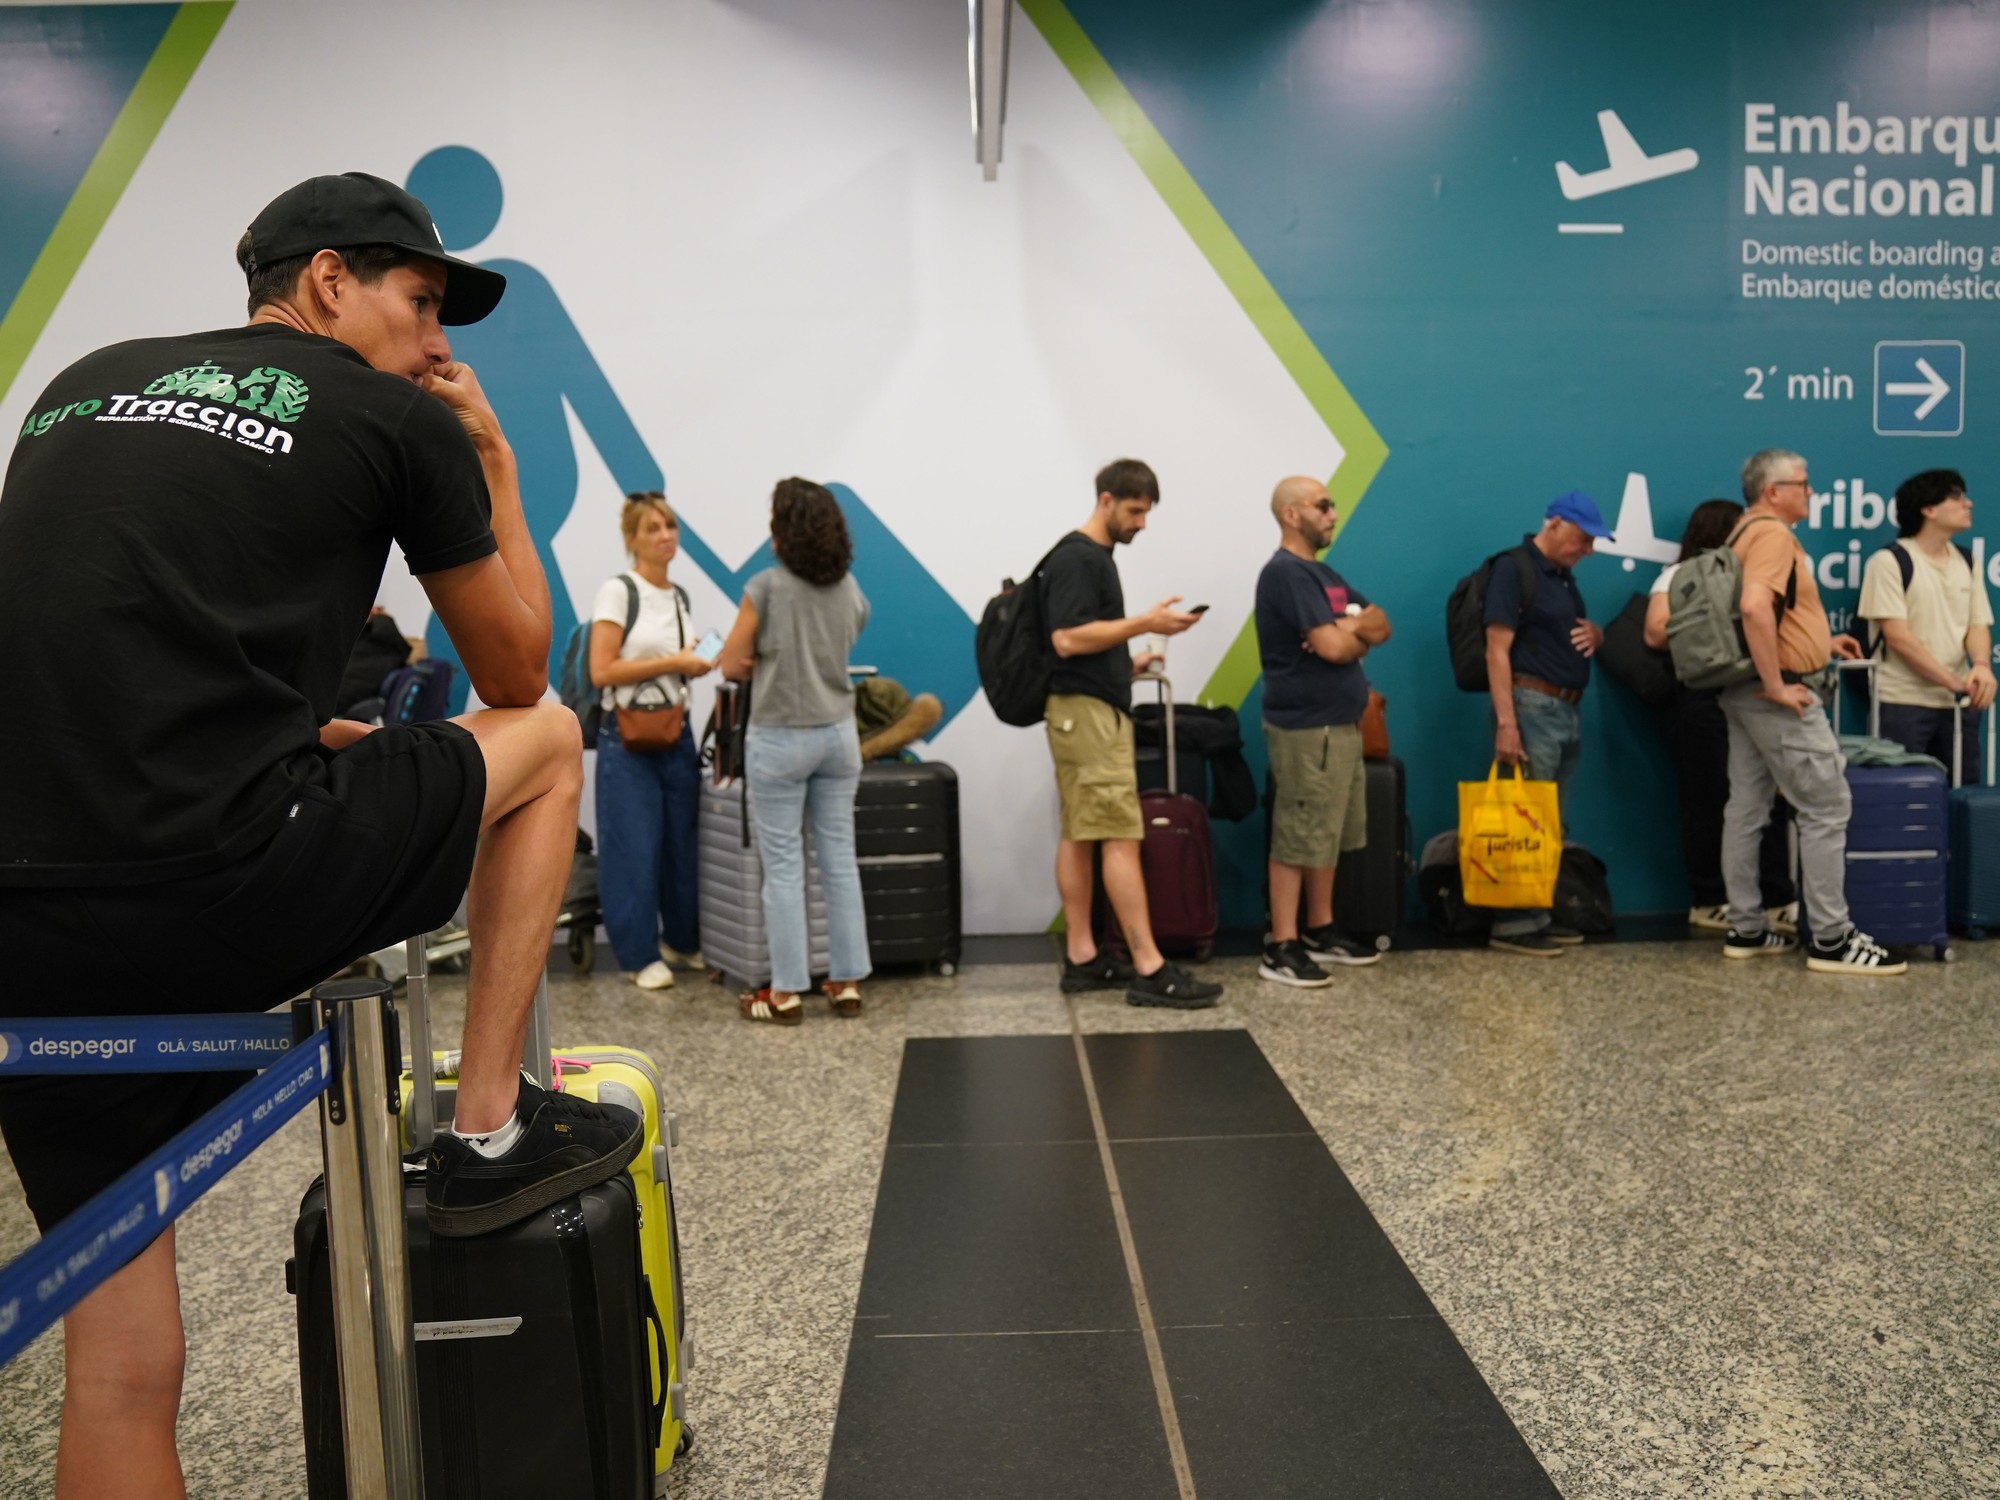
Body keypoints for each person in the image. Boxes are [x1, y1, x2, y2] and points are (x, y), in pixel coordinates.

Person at [0, 172, 641, 1499]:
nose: (436, 342)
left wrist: (299, 737)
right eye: (421, 301)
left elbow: (118, 660)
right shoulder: (391, 416)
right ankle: (488, 1130)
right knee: (550, 739)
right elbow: (517, 672)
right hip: (223, 886)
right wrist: (493, 462)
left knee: (117, 1364)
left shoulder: (75, 385)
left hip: (23, 928)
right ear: (329, 281)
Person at [1041, 459, 1223, 1008]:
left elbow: (1082, 641)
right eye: (1135, 510)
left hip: (1084, 708)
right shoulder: (1079, 557)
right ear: (1106, 500)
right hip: (1088, 716)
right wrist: (1145, 622)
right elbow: (1067, 638)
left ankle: (1082, 957)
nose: (1141, 523)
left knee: (1081, 833)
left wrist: (1127, 663)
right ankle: (1149, 966)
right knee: (1120, 833)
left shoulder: (1087, 557)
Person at [1717, 449, 1903, 974]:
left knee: (1746, 810)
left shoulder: (1740, 534)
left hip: (1740, 691)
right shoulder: (1773, 535)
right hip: (1774, 697)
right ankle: (1831, 939)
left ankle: (1746, 927)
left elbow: (1769, 613)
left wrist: (1819, 644)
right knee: (1826, 807)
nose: (1811, 492)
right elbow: (1754, 606)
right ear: (1773, 491)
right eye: (1803, 484)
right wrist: (1777, 683)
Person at [717, 478, 873, 1023]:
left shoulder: (765, 587)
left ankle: (785, 993)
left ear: (783, 530)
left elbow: (731, 661)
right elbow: (853, 630)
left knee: (784, 867)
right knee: (839, 860)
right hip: (838, 735)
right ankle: (847, 983)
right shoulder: (848, 587)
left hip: (780, 738)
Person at [1254, 475, 1392, 986]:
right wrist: (1347, 635)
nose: (1333, 514)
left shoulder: (1325, 575)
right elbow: (1332, 650)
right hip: (1306, 729)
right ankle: (1282, 945)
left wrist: (1347, 628)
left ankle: (1320, 928)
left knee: (1326, 832)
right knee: (1298, 833)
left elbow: (1380, 622)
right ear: (1292, 515)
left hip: (1341, 726)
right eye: (1323, 505)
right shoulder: (1285, 574)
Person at [1643, 500, 1798, 934]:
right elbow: (1654, 631)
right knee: (1709, 799)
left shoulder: (1754, 575)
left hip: (1754, 691)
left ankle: (1774, 898)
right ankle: (1710, 898)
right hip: (1705, 697)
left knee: (1767, 798)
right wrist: (1707, 618)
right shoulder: (1681, 575)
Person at [590, 491, 713, 990]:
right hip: (626, 737)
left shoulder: (679, 595)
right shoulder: (618, 591)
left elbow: (672, 665)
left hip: (675, 730)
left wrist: (692, 664)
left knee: (682, 844)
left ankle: (681, 941)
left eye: (670, 526)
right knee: (633, 847)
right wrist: (675, 662)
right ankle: (639, 956)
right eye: (653, 528)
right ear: (632, 538)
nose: (665, 536)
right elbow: (602, 670)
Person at [1481, 492, 1610, 957]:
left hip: (1565, 711)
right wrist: (1506, 723)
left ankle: (1536, 913)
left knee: (1549, 822)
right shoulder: (1513, 569)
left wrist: (1597, 634)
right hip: (1531, 707)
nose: (1588, 550)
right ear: (1554, 523)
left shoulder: (1562, 577)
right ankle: (1512, 922)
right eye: (1583, 539)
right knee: (1523, 819)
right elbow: (1496, 650)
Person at [1857, 468, 1996, 773]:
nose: (1968, 504)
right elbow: (1898, 637)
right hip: (1903, 702)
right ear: (1928, 509)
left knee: (1962, 792)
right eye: (1956, 497)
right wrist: (1952, 682)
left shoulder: (1967, 560)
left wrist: (1981, 666)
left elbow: (1977, 623)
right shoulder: (1889, 562)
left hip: (1959, 704)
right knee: (1902, 793)